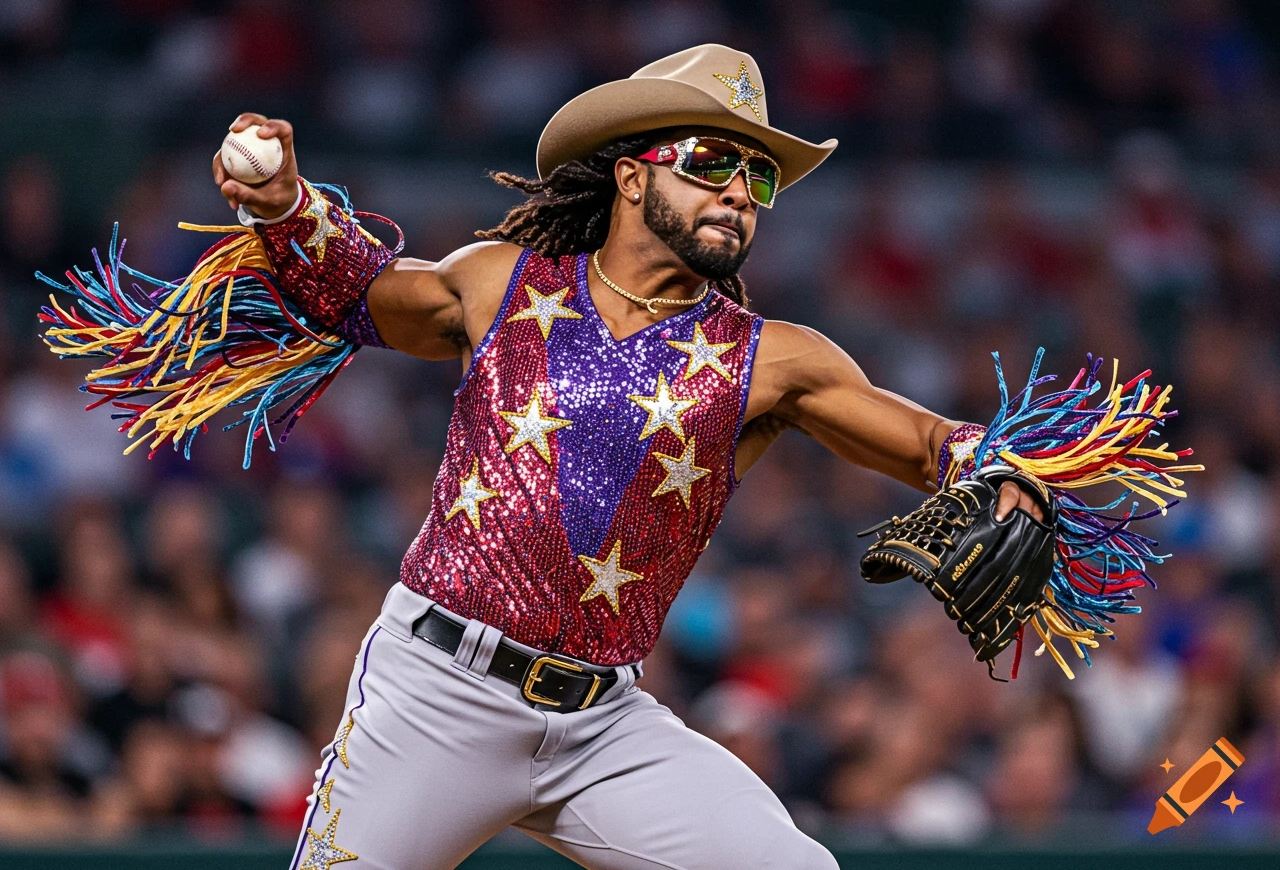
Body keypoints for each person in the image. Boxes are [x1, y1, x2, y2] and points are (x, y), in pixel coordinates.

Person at [155, 45, 1058, 869]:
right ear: (632, 175)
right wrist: (289, 210)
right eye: (712, 164)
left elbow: (933, 442)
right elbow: (357, 294)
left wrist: (998, 468)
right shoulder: (503, 280)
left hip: (601, 725)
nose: (740, 192)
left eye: (758, 178)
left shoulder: (772, 358)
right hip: (436, 693)